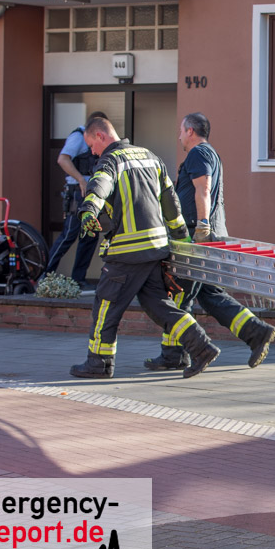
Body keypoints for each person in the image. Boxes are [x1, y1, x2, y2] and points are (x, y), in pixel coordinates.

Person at [69, 116, 220, 379]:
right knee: (159, 305)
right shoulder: (150, 157)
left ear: (101, 136)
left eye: (91, 145)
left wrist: (89, 210)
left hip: (126, 251)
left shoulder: (110, 161)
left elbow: (100, 185)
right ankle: (202, 347)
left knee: (105, 305)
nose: (92, 152)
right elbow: (171, 202)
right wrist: (181, 238)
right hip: (156, 248)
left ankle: (99, 363)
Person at [144, 113, 275, 371]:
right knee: (209, 293)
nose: (179, 137)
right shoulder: (209, 154)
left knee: (179, 293)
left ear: (190, 131)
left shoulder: (199, 153)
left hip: (197, 236)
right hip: (206, 235)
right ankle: (256, 332)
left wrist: (202, 227)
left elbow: (203, 188)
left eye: (181, 131)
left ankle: (173, 354)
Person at [42, 110, 107, 288]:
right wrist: (80, 179)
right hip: (77, 192)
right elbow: (63, 160)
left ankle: (78, 279)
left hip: (92, 193)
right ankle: (44, 275)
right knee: (69, 235)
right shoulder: (78, 137)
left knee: (90, 236)